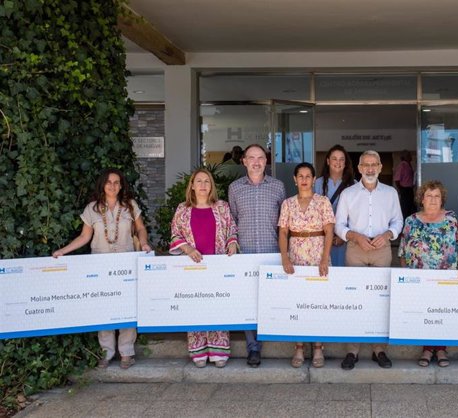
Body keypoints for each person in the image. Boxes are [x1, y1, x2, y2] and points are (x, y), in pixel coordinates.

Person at [53, 168, 152, 370]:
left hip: (126, 264)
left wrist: (144, 244)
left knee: (127, 306)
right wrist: (63, 251)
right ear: (103, 185)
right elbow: (84, 237)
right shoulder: (92, 208)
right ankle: (106, 352)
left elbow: (141, 228)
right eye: (109, 182)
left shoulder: (130, 206)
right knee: (103, 305)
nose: (113, 186)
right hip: (99, 265)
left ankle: (126, 352)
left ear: (121, 185)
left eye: (116, 182)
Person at [335, 150, 404, 370]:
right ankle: (352, 351)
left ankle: (379, 349)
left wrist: (388, 235)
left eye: (374, 164)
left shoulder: (391, 193)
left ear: (381, 167)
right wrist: (354, 236)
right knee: (354, 299)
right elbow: (339, 225)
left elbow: (398, 221)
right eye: (366, 165)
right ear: (359, 168)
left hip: (382, 249)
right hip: (356, 248)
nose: (370, 169)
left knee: (380, 300)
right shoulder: (348, 194)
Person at [169, 168, 239, 368]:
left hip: (217, 267)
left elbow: (232, 228)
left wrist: (232, 242)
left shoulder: (222, 207)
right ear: (191, 185)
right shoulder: (183, 209)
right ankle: (199, 349)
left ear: (211, 186)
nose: (202, 185)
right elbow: (175, 234)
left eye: (206, 181)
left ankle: (218, 349)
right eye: (198, 181)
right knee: (196, 304)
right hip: (193, 268)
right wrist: (188, 248)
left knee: (218, 303)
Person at [398, 180, 458, 368]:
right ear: (421, 199)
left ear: (442, 199)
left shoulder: (451, 219)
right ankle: (427, 348)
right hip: (419, 278)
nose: (432, 199)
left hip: (445, 277)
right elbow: (403, 250)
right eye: (429, 195)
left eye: (437, 196)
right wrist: (405, 274)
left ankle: (440, 349)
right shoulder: (411, 221)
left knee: (441, 311)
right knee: (424, 312)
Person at [228, 144, 286, 368]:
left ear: (266, 161)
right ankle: (253, 348)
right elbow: (232, 220)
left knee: (271, 298)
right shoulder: (235, 188)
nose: (256, 161)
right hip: (246, 253)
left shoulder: (278, 187)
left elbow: (284, 221)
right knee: (248, 301)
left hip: (272, 252)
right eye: (251, 157)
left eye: (260, 157)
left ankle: (277, 334)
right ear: (244, 161)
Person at [279, 162, 335, 368]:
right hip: (296, 257)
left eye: (308, 176)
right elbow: (283, 231)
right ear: (295, 179)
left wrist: (324, 257)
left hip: (318, 255)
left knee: (318, 301)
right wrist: (284, 257)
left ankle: (319, 347)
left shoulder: (323, 202)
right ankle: (300, 347)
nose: (304, 180)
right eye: (300, 176)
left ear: (313, 179)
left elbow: (329, 231)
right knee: (297, 302)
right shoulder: (287, 204)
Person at [314, 145, 355, 267]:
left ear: (346, 163)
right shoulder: (317, 184)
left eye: (342, 159)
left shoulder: (355, 186)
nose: (338, 162)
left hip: (345, 240)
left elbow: (357, 216)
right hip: (321, 239)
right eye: (334, 159)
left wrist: (344, 236)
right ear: (328, 161)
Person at [394, 150, 416, 219]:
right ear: (405, 157)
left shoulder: (408, 165)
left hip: (409, 189)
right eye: (409, 155)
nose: (411, 156)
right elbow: (397, 179)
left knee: (410, 208)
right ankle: (404, 225)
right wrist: (401, 190)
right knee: (405, 209)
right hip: (405, 190)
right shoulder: (402, 165)